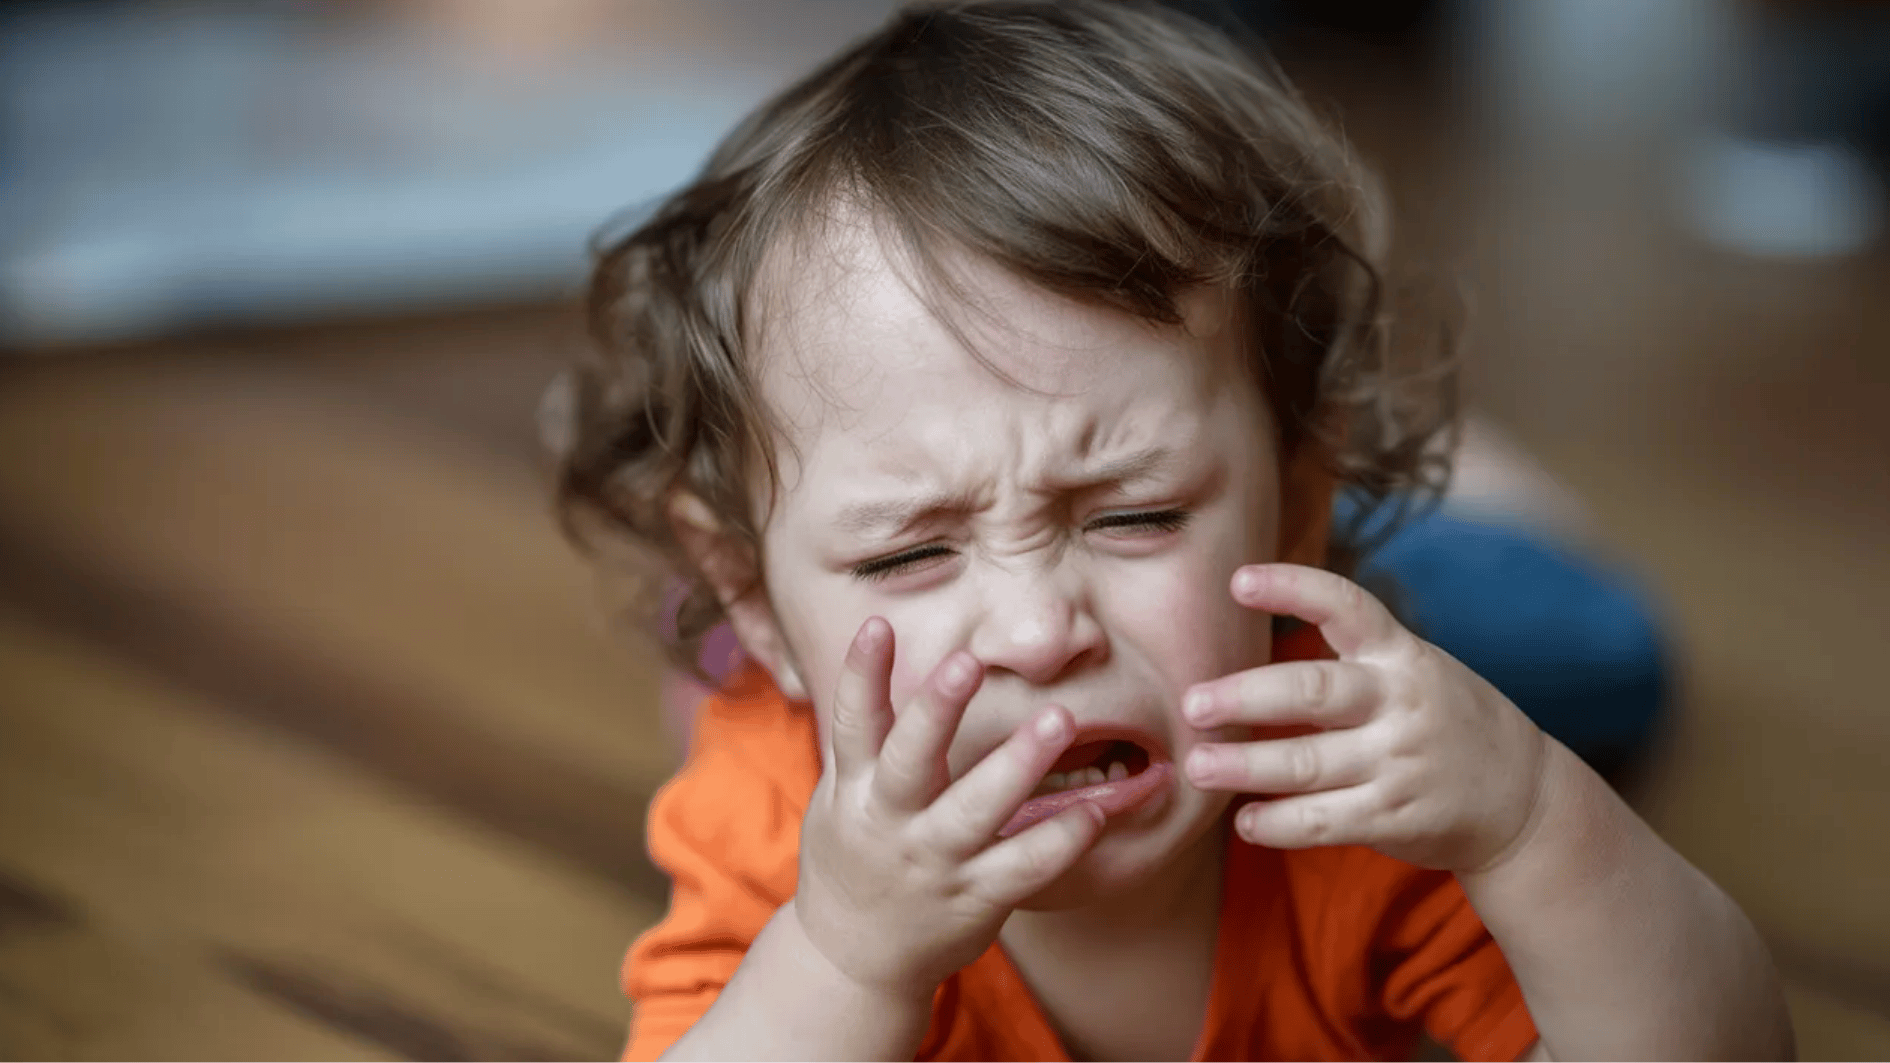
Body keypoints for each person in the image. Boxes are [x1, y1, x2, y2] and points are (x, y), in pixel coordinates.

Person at [551, 2, 1791, 1059]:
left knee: (1603, 656)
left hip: (1365, 610)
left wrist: (1527, 816)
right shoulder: (778, 806)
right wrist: (841, 950)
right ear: (755, 587)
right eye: (908, 552)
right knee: (745, 712)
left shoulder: (1367, 783)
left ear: (1301, 496)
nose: (1040, 633)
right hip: (1016, 589)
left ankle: (1467, 485)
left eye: (1135, 515)